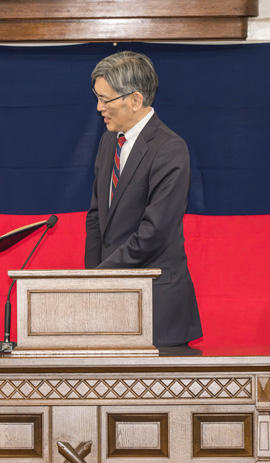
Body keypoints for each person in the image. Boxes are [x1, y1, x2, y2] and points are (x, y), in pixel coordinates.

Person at [84, 51, 202, 347]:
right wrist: (90, 284)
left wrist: (100, 276)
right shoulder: (108, 141)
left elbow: (154, 233)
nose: (99, 108)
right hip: (108, 299)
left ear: (135, 100)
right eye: (97, 98)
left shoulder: (170, 149)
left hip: (155, 304)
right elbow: (96, 217)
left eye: (105, 99)